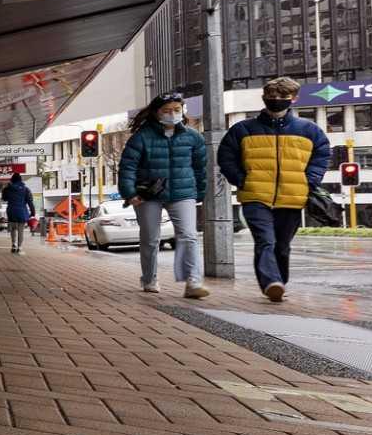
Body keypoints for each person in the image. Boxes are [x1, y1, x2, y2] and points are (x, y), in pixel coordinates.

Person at [218, 76, 330, 302]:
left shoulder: (309, 130)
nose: (276, 100)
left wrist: (309, 180)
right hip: (255, 196)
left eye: (282, 97)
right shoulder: (243, 129)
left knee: (282, 246)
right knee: (265, 241)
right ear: (264, 98)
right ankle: (271, 282)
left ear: (294, 99)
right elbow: (226, 157)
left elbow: (322, 155)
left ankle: (279, 283)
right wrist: (242, 180)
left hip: (292, 197)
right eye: (271, 96)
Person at [117, 92, 211, 299]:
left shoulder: (193, 137)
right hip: (148, 194)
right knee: (150, 238)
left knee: (188, 235)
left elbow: (200, 169)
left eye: (177, 110)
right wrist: (130, 193)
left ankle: (193, 282)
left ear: (183, 111)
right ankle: (149, 278)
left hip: (183, 192)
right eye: (167, 110)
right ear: (157, 112)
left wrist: (199, 193)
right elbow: (127, 167)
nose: (172, 114)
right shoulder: (141, 137)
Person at [1, 172, 35, 254]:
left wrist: (6, 189)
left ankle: (13, 244)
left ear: (12, 180)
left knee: (13, 229)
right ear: (20, 180)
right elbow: (30, 202)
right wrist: (33, 212)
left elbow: (4, 198)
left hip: (11, 211)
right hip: (21, 211)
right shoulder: (26, 189)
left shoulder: (8, 188)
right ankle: (19, 247)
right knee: (20, 230)